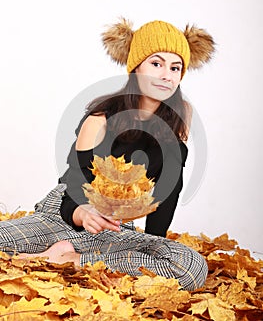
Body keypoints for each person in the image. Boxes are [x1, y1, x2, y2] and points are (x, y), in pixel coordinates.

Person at [0, 18, 215, 291]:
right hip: (68, 214)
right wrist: (83, 213)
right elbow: (73, 185)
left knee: (191, 267)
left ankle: (69, 258)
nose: (166, 76)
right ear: (135, 67)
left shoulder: (180, 115)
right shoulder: (100, 118)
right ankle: (59, 247)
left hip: (114, 230)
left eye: (175, 68)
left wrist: (154, 244)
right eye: (156, 64)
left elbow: (170, 186)